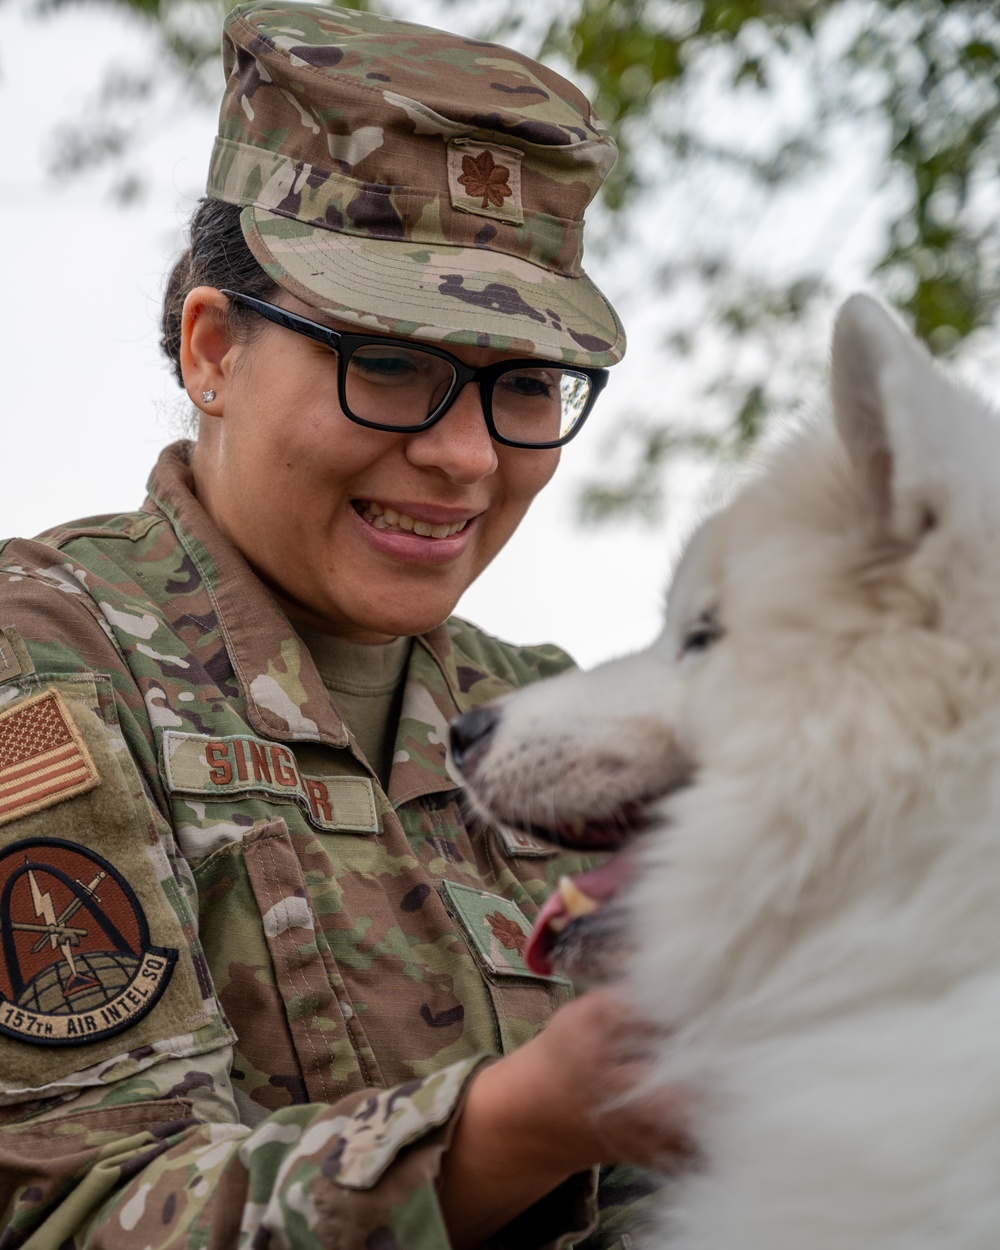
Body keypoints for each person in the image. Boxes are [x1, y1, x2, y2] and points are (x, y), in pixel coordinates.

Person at [0, 5, 688, 1246]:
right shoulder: (44, 672)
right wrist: (527, 1118)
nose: (466, 454)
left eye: (526, 382)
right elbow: (79, 1207)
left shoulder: (544, 709)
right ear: (213, 349)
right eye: (388, 361)